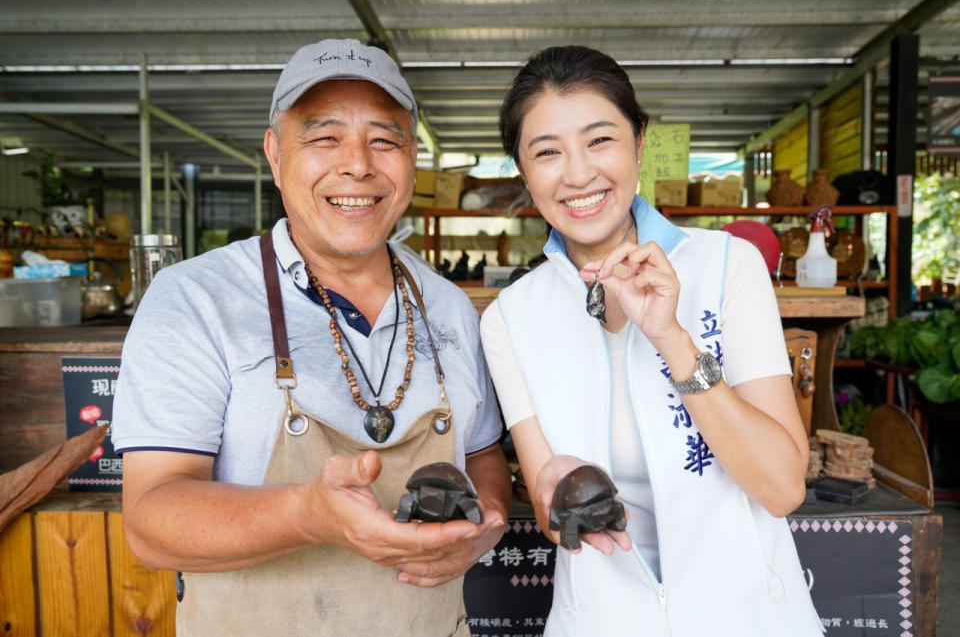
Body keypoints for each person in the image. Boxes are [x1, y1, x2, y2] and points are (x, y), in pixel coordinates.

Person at [112, 38, 511, 637]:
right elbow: (149, 521)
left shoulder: (449, 307)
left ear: (411, 160)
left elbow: (481, 456)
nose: (357, 164)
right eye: (324, 138)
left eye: (385, 139)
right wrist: (308, 515)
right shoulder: (194, 299)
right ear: (275, 154)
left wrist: (489, 524)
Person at [480, 46, 822, 636]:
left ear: (639, 143)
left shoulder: (726, 266)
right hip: (599, 620)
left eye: (600, 140)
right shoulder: (511, 317)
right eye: (546, 152)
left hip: (753, 615)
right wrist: (555, 484)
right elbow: (546, 504)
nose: (579, 173)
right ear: (524, 171)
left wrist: (670, 336)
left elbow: (783, 486)